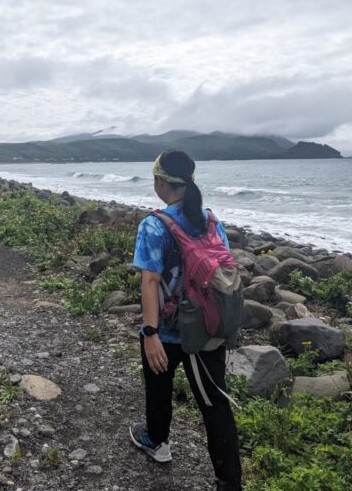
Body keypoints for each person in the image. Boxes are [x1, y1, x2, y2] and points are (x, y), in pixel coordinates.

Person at [129, 149, 242, 491]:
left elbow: (150, 281)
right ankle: (229, 482)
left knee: (159, 388)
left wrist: (150, 333)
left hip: (166, 330)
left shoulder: (154, 224)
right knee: (214, 405)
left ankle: (157, 442)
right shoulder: (210, 220)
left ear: (160, 182)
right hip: (207, 327)